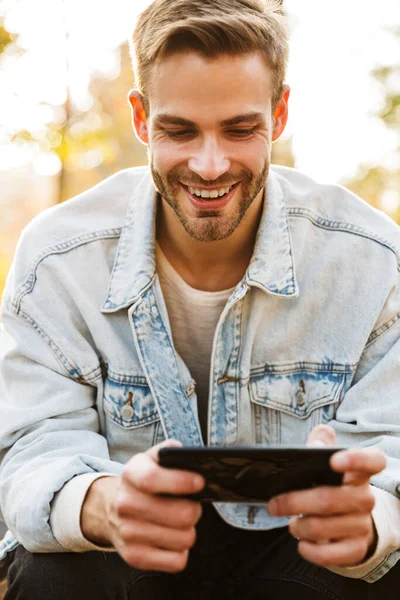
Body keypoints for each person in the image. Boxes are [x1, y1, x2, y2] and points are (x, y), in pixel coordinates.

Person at [1, 0, 400, 597]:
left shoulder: (371, 260)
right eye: (178, 130)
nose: (209, 166)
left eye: (240, 130)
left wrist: (370, 520)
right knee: (52, 573)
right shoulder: (59, 258)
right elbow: (30, 445)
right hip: (123, 549)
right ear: (140, 118)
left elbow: (390, 449)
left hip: (298, 553)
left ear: (280, 111)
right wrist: (102, 504)